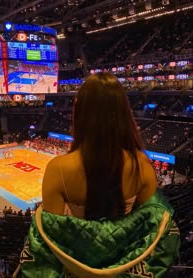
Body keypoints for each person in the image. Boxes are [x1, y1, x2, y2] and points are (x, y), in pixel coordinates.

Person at [17, 73, 180, 278]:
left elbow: (50, 243)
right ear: (123, 112)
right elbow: (154, 231)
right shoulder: (142, 165)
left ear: (79, 111)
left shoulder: (57, 169)